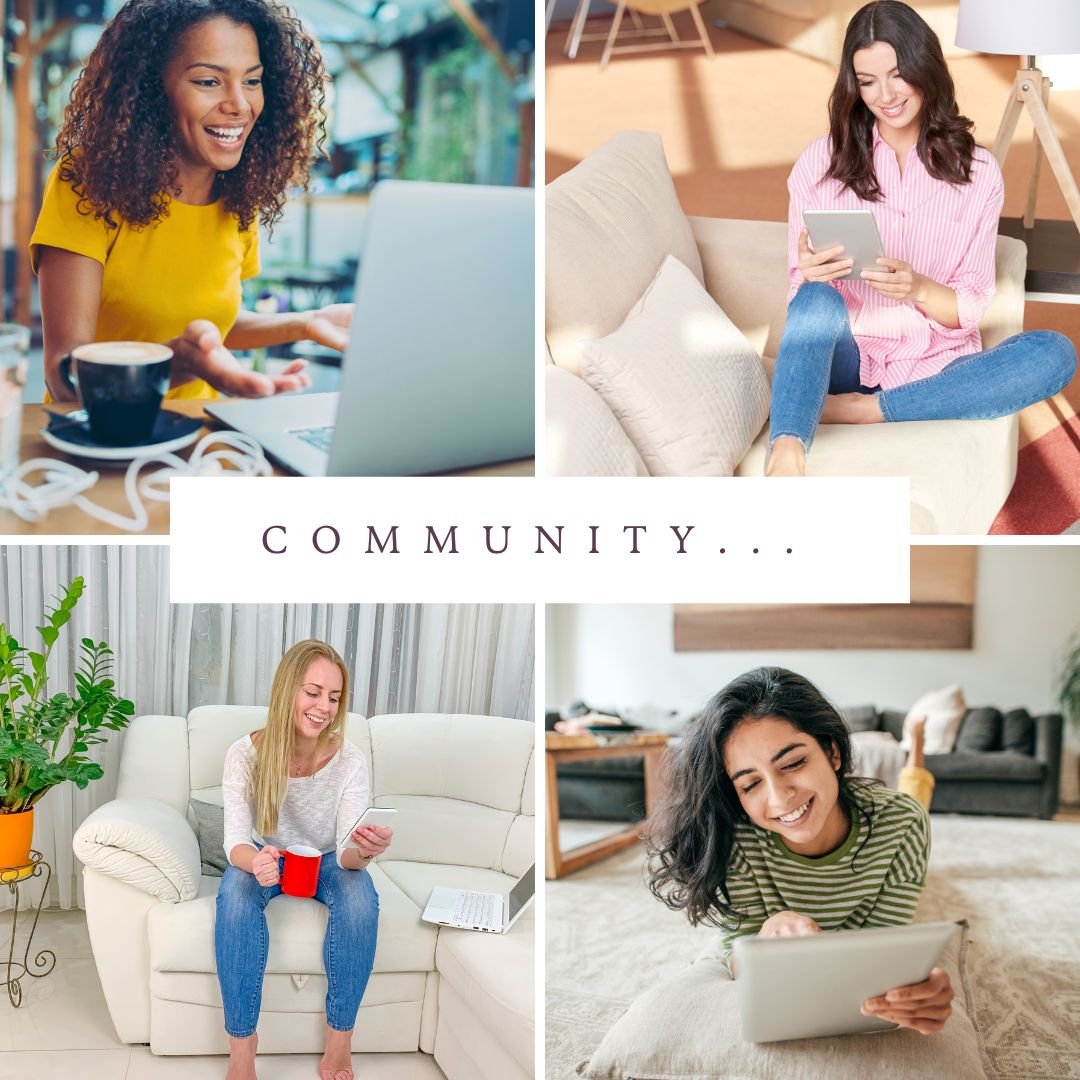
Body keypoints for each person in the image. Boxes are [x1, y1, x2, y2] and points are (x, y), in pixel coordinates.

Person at [765, 0, 1077, 476]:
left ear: (924, 68)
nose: (884, 95)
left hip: (932, 364)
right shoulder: (819, 163)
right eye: (867, 81)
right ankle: (786, 452)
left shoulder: (978, 173)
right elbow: (800, 298)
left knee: (1054, 354)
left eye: (896, 74)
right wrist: (810, 274)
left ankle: (864, 410)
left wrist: (919, 289)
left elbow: (970, 307)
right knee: (815, 301)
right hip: (847, 356)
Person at [30, 0, 353, 406]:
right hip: (98, 444)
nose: (239, 103)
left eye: (252, 81)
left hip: (202, 436)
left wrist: (308, 323)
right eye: (208, 81)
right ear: (152, 89)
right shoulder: (88, 182)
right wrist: (178, 364)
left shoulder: (240, 196)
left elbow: (217, 325)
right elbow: (65, 374)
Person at [647, 667, 952, 1035]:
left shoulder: (902, 826)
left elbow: (882, 953)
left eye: (793, 763)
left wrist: (912, 993)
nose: (779, 797)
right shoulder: (733, 839)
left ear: (833, 752)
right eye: (751, 783)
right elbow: (734, 952)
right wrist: (761, 945)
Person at [216, 639, 391, 1080]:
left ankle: (339, 1045)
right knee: (235, 893)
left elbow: (348, 855)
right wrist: (254, 863)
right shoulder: (245, 754)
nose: (323, 707)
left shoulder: (349, 759)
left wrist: (364, 851)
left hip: (330, 858)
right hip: (267, 853)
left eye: (333, 697)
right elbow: (235, 841)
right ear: (287, 690)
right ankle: (242, 1048)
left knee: (360, 898)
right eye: (313, 693)